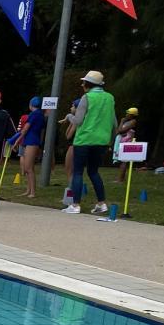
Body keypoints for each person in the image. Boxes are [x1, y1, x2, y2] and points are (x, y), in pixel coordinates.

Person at [66, 70, 117, 218]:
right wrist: (111, 140)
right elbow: (114, 123)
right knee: (93, 172)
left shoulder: (87, 97)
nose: (82, 85)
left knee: (77, 172)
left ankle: (75, 205)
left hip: (84, 139)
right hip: (101, 141)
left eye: (84, 83)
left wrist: (69, 116)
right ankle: (101, 203)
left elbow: (78, 121)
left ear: (88, 84)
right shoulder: (110, 98)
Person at [17, 97, 46, 198]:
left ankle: (32, 192)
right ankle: (28, 190)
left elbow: (25, 128)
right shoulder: (41, 115)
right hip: (34, 141)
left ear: (31, 105)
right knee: (29, 167)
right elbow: (42, 130)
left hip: (31, 141)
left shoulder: (34, 114)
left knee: (28, 168)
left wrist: (17, 140)